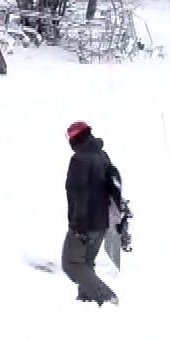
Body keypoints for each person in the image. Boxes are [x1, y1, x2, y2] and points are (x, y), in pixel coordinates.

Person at [62, 121, 122, 306]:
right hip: (101, 222)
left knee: (72, 264)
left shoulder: (79, 160)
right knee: (86, 263)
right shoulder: (101, 155)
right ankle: (87, 301)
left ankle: (107, 297)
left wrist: (78, 226)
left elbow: (79, 194)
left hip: (85, 223)